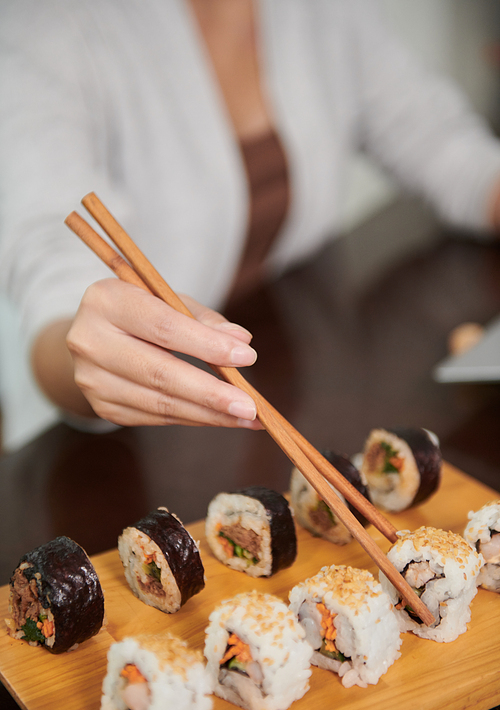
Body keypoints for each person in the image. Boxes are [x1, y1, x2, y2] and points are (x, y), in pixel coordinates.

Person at [1, 0, 500, 447]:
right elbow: (58, 281)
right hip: (104, 448)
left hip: (287, 375)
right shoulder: (49, 24)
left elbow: (442, 143)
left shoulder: (329, 12)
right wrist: (92, 353)